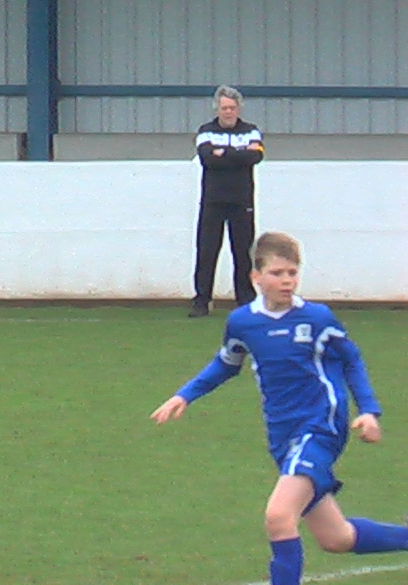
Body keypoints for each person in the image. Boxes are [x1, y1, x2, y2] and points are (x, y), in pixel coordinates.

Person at [151, 232, 408, 585]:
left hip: (320, 426)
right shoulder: (243, 323)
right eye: (277, 273)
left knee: (278, 516)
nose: (286, 280)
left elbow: (351, 359)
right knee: (336, 538)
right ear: (256, 277)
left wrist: (369, 410)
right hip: (282, 434)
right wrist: (185, 395)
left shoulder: (317, 318)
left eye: (292, 272)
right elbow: (227, 363)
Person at [191, 85, 266, 317]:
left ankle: (245, 301)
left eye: (232, 108)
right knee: (207, 252)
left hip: (241, 201)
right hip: (213, 201)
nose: (228, 112)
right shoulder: (206, 131)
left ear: (238, 109)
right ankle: (202, 301)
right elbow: (207, 158)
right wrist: (238, 155)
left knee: (243, 253)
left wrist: (223, 153)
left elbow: (255, 156)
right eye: (224, 108)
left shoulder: (251, 131)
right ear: (218, 109)